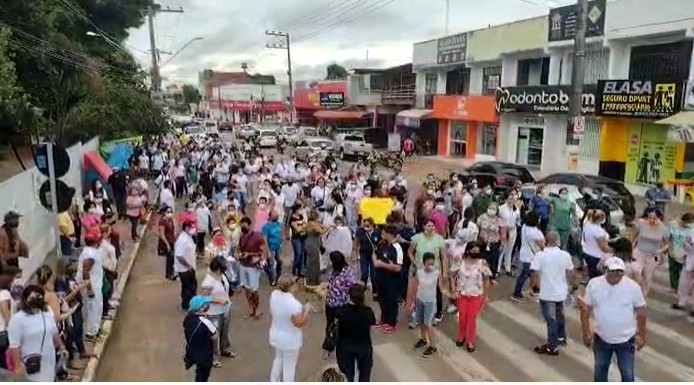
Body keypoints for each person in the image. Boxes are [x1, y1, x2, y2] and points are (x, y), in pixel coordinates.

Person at [579, 257, 646, 382]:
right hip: (602, 339)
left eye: (620, 271)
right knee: (600, 371)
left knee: (627, 374)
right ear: (605, 270)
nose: (616, 274)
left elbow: (641, 311)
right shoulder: (594, 284)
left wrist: (641, 335)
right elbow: (585, 309)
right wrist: (585, 331)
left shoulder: (633, 287)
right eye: (612, 271)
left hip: (626, 341)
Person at [7, 285, 67, 382]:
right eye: (32, 298)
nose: (36, 300)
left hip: (48, 361)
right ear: (25, 299)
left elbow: (54, 333)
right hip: (29, 363)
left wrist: (62, 347)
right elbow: (14, 345)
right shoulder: (18, 319)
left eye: (39, 297)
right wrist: (18, 366)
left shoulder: (47, 314)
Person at [530, 231, 574, 356]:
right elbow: (570, 272)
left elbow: (534, 273)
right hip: (561, 291)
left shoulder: (540, 255)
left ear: (546, 241)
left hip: (547, 292)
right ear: (558, 241)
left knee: (550, 319)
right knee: (560, 315)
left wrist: (534, 287)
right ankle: (561, 337)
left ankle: (552, 345)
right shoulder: (565, 255)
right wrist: (574, 286)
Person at [449, 242, 491, 352]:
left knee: (471, 319)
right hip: (462, 294)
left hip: (476, 295)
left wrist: (485, 296)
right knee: (462, 317)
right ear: (467, 250)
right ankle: (461, 336)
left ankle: (470, 341)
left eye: (477, 251)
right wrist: (454, 290)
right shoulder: (460, 261)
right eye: (473, 250)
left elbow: (486, 280)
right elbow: (452, 276)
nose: (475, 253)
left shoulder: (482, 263)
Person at [269, 275, 311, 382]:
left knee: (278, 359)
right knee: (289, 367)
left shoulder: (274, 295)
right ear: (291, 287)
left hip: (276, 334)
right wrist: (306, 310)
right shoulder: (293, 304)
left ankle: (273, 381)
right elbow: (299, 323)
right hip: (289, 340)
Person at [409, 252, 449, 357]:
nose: (430, 266)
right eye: (428, 264)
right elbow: (415, 286)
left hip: (430, 302)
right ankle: (423, 339)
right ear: (424, 263)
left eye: (432, 263)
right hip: (420, 300)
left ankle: (432, 346)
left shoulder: (436, 273)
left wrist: (449, 294)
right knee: (421, 321)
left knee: (428, 324)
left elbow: (441, 288)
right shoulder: (419, 272)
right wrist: (412, 300)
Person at [335, 284, 375, 382]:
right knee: (365, 374)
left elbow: (336, 320)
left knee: (347, 374)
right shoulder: (368, 312)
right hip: (363, 346)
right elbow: (373, 322)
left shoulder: (342, 311)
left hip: (345, 346)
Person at [200, 257, 233, 366]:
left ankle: (225, 349)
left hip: (225, 309)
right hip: (213, 313)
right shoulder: (208, 282)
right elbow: (205, 298)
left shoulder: (222, 276)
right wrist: (220, 301)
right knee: (214, 336)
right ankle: (214, 357)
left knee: (225, 331)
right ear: (218, 268)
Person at [373, 224, 403, 334]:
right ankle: (383, 319)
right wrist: (376, 262)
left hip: (392, 280)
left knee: (391, 301)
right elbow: (374, 253)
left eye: (384, 233)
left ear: (389, 234)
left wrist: (381, 265)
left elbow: (398, 268)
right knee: (382, 299)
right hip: (381, 278)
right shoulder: (382, 244)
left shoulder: (397, 248)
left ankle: (392, 322)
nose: (382, 235)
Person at [632, 209, 669, 296]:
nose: (651, 220)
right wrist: (631, 248)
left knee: (648, 276)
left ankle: (644, 294)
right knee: (636, 271)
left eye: (654, 218)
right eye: (650, 218)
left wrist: (660, 251)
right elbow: (634, 237)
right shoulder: (641, 224)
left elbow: (667, 244)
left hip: (653, 255)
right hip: (639, 251)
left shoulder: (664, 229)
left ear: (659, 218)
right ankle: (635, 290)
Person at [324, 251, 355, 352]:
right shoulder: (333, 271)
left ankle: (341, 343)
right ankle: (329, 342)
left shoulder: (347, 273)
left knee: (340, 325)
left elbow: (352, 287)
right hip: (329, 302)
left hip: (340, 304)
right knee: (329, 323)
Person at [77, 227, 104, 341]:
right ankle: (91, 333)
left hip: (96, 283)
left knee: (97, 307)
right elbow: (85, 272)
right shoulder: (90, 254)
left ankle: (95, 329)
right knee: (93, 309)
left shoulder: (91, 251)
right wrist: (89, 289)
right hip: (92, 285)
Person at [238, 216, 268, 319]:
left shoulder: (257, 237)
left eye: (244, 225)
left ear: (249, 225)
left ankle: (257, 309)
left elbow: (264, 251)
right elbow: (239, 248)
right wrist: (239, 254)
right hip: (243, 265)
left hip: (253, 266)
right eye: (241, 225)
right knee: (246, 288)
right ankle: (251, 308)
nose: (242, 227)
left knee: (254, 290)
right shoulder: (242, 237)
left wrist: (252, 255)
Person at [511, 212, 544, 302]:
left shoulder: (525, 227)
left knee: (534, 272)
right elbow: (541, 245)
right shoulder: (534, 233)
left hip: (526, 254)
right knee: (525, 274)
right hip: (531, 256)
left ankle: (534, 288)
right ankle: (516, 293)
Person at [183, 295, 217, 382]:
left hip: (192, 351)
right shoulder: (206, 323)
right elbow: (215, 336)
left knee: (199, 372)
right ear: (202, 308)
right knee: (203, 375)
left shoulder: (188, 319)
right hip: (205, 355)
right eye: (205, 304)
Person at [477, 201, 507, 282]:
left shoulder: (499, 220)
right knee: (482, 259)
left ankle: (492, 276)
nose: (491, 210)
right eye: (490, 208)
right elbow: (477, 229)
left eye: (493, 209)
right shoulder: (481, 217)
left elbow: (503, 233)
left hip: (494, 243)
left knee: (493, 260)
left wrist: (502, 244)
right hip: (482, 243)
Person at [354, 218, 381, 298]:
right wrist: (354, 252)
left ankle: (375, 291)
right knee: (364, 273)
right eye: (364, 225)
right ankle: (362, 290)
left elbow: (381, 241)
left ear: (372, 225)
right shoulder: (360, 231)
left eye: (367, 225)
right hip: (364, 254)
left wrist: (378, 249)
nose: (365, 227)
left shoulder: (377, 232)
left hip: (373, 255)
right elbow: (356, 241)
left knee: (374, 274)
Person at [582, 210, 612, 279]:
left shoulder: (587, 224)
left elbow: (589, 212)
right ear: (600, 219)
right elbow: (603, 247)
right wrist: (613, 250)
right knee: (595, 276)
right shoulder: (598, 231)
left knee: (590, 273)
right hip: (596, 256)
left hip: (587, 252)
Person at [175, 221, 198, 311]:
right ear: (186, 228)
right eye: (191, 227)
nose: (193, 230)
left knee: (187, 286)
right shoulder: (182, 240)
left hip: (189, 267)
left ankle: (186, 303)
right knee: (189, 287)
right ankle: (191, 305)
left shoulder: (188, 237)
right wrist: (188, 266)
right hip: (185, 269)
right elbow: (179, 255)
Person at [262, 211, 283, 286]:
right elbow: (265, 239)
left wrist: (281, 242)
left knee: (280, 262)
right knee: (271, 265)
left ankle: (278, 277)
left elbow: (279, 233)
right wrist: (268, 251)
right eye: (275, 215)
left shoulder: (278, 224)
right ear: (270, 216)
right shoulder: (266, 227)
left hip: (277, 246)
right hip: (271, 248)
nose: (277, 216)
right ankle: (272, 280)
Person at [158, 206, 177, 280]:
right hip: (166, 242)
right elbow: (161, 234)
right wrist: (167, 244)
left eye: (171, 212)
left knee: (172, 258)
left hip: (171, 241)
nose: (170, 213)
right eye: (168, 212)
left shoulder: (171, 220)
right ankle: (169, 274)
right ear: (164, 212)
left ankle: (171, 273)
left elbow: (173, 231)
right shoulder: (162, 221)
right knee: (170, 258)